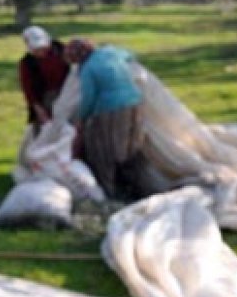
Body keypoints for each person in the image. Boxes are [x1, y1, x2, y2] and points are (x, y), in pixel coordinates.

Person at [67, 38, 164, 202]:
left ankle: (110, 193)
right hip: (135, 103)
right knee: (132, 149)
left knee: (105, 152)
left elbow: (89, 98)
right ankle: (142, 190)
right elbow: (130, 54)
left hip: (112, 110)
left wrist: (82, 119)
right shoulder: (110, 52)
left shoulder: (88, 69)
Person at [18, 26, 69, 135]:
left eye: (43, 48)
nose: (41, 52)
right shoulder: (27, 63)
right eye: (37, 50)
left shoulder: (63, 50)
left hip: (68, 94)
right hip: (45, 99)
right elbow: (28, 89)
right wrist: (38, 109)